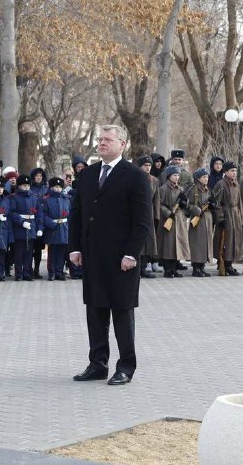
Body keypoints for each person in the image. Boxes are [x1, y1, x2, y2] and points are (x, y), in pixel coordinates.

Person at [69, 125, 151, 386]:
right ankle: (97, 363)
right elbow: (77, 213)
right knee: (95, 311)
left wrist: (131, 253)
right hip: (93, 256)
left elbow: (142, 221)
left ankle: (126, 366)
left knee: (122, 312)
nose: (102, 143)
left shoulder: (135, 176)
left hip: (121, 259)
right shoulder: (89, 174)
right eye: (100, 139)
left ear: (122, 144)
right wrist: (75, 247)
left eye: (108, 139)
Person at [157, 165, 190, 278]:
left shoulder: (181, 189)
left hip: (179, 219)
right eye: (174, 175)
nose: (176, 177)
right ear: (168, 176)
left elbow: (186, 203)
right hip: (168, 220)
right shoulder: (163, 189)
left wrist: (184, 204)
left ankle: (174, 268)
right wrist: (168, 213)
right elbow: (159, 204)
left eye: (178, 175)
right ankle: (168, 270)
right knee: (168, 246)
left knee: (177, 245)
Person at [212, 161, 243, 276]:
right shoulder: (221, 184)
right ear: (225, 172)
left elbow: (239, 201)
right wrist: (220, 218)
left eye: (235, 170)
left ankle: (230, 263)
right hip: (226, 215)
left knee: (234, 240)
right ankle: (225, 264)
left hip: (235, 215)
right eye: (232, 170)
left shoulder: (236, 184)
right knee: (226, 241)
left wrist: (241, 216)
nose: (234, 173)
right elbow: (216, 202)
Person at [10, 174, 43, 281]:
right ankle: (18, 273)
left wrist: (39, 228)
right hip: (20, 228)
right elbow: (13, 213)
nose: (26, 187)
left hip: (32, 227)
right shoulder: (15, 197)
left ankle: (27, 273)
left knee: (29, 253)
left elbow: (39, 214)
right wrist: (22, 222)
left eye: (28, 185)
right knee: (19, 253)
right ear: (19, 186)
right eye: (24, 186)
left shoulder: (34, 197)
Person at [187, 168, 215, 277]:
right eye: (204, 177)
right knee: (197, 243)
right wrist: (196, 210)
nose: (206, 179)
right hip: (197, 219)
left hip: (207, 218)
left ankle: (202, 266)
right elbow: (187, 204)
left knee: (206, 243)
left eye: (207, 177)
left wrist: (213, 205)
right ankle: (196, 267)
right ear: (198, 178)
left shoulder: (208, 189)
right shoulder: (193, 190)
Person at [42, 177, 70, 281]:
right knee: (52, 252)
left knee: (61, 252)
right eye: (55, 187)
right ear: (51, 188)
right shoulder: (47, 200)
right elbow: (43, 215)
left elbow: (69, 215)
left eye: (59, 187)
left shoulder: (66, 199)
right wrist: (51, 223)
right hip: (53, 229)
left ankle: (59, 271)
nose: (58, 189)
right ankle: (51, 272)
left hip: (63, 228)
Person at [136, 156, 159, 279]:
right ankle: (137, 268)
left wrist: (157, 216)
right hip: (138, 212)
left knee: (148, 241)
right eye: (145, 165)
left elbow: (156, 200)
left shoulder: (154, 180)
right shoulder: (134, 178)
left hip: (149, 213)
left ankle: (144, 267)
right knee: (138, 241)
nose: (148, 167)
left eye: (149, 165)